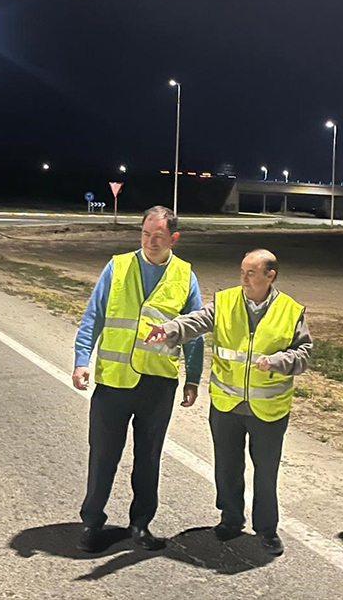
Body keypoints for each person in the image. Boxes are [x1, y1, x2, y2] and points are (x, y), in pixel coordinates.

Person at [145, 249, 312, 556]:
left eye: (251, 273)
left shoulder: (290, 310)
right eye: (242, 272)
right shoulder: (226, 302)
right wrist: (168, 329)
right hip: (226, 404)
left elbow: (303, 355)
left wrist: (277, 362)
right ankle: (231, 518)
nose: (244, 279)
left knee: (266, 472)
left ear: (270, 276)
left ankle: (267, 529)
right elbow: (196, 321)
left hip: (268, 409)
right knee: (226, 467)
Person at [72, 205, 204, 552]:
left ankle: (140, 525)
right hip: (113, 381)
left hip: (158, 385)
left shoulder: (185, 275)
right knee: (103, 456)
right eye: (146, 234)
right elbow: (93, 316)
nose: (151, 241)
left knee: (149, 459)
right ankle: (92, 522)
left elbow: (194, 331)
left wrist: (193, 378)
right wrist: (81, 360)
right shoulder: (117, 266)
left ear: (174, 238)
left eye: (159, 236)